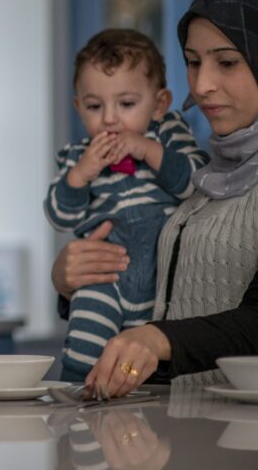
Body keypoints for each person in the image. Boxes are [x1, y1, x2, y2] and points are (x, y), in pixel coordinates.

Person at [52, 0, 258, 397]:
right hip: (179, 427)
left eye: (227, 61)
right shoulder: (205, 172)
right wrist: (67, 280)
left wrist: (157, 338)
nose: (201, 85)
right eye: (193, 61)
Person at [44, 29, 207, 381]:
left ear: (159, 104)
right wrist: (81, 174)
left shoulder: (168, 135)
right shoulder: (78, 156)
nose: (110, 119)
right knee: (87, 347)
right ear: (78, 107)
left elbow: (196, 183)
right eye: (94, 106)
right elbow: (60, 214)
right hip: (105, 277)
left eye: (127, 104)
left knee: (148, 360)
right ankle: (76, 391)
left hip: (162, 282)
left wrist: (146, 150)